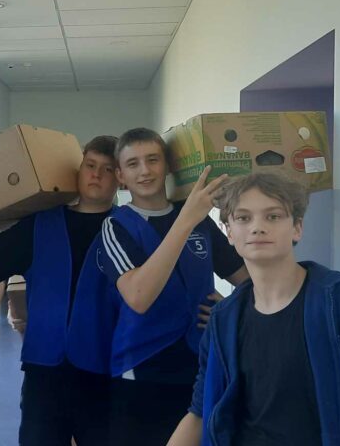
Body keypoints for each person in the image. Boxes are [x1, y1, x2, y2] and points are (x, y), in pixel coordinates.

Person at [168, 172, 340, 446]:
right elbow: (199, 413)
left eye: (273, 216)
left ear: (297, 228)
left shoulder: (339, 299)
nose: (257, 227)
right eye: (243, 218)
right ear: (229, 232)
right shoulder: (224, 318)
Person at [0, 135, 122, 445]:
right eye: (90, 165)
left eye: (107, 169)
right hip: (44, 371)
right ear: (79, 169)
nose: (96, 174)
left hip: (104, 371)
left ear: (120, 178)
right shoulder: (41, 224)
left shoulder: (127, 228)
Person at [98, 128, 248, 445]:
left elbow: (249, 280)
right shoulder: (116, 226)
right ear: (121, 176)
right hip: (141, 372)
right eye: (133, 163)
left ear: (167, 165)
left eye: (153, 160)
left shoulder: (199, 222)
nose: (145, 170)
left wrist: (229, 308)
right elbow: (139, 297)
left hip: (199, 367)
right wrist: (187, 219)